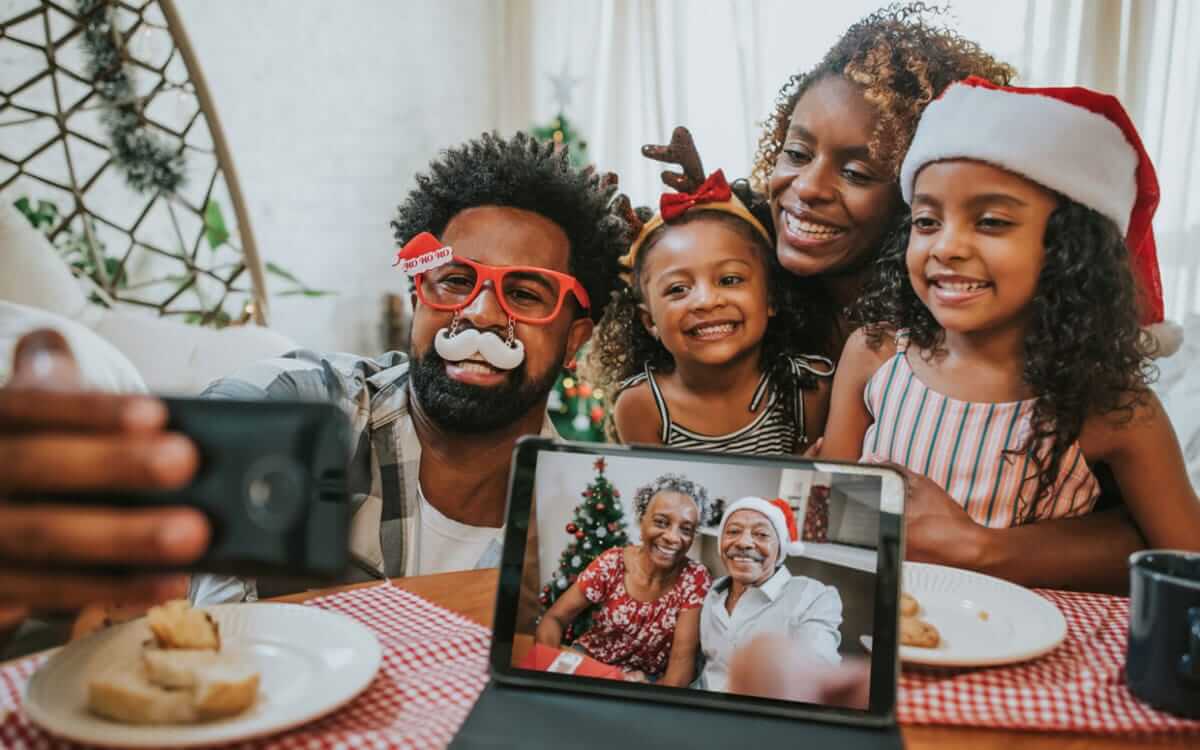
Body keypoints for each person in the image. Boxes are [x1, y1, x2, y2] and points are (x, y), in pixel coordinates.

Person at [0, 132, 631, 639]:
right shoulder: (304, 406)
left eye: (523, 293)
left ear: (575, 340)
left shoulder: (596, 508)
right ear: (418, 295)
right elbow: (182, 520)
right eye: (453, 280)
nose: (481, 314)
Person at [752, 3, 1149, 589]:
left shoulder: (1069, 369)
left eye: (859, 173)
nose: (807, 189)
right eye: (796, 152)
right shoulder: (752, 283)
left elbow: (1150, 541)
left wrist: (977, 545)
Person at [820, 79, 1200, 586]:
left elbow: (1187, 561)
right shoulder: (874, 356)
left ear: (1068, 250)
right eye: (928, 221)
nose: (947, 246)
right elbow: (825, 531)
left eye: (992, 222)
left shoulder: (1112, 409)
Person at [589, 128, 833, 455]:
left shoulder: (807, 391)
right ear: (650, 321)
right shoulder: (642, 406)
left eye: (730, 280)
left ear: (772, 297)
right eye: (678, 288)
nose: (706, 301)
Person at [535, 474, 717, 686]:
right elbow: (553, 619)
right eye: (661, 522)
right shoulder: (612, 564)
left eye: (686, 529)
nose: (673, 537)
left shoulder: (695, 579)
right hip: (589, 663)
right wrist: (551, 672)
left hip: (644, 681)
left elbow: (679, 673)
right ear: (641, 522)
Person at [699, 497, 842, 692]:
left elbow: (817, 674)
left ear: (780, 548)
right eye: (733, 531)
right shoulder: (709, 593)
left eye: (761, 534)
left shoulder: (813, 597)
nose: (744, 542)